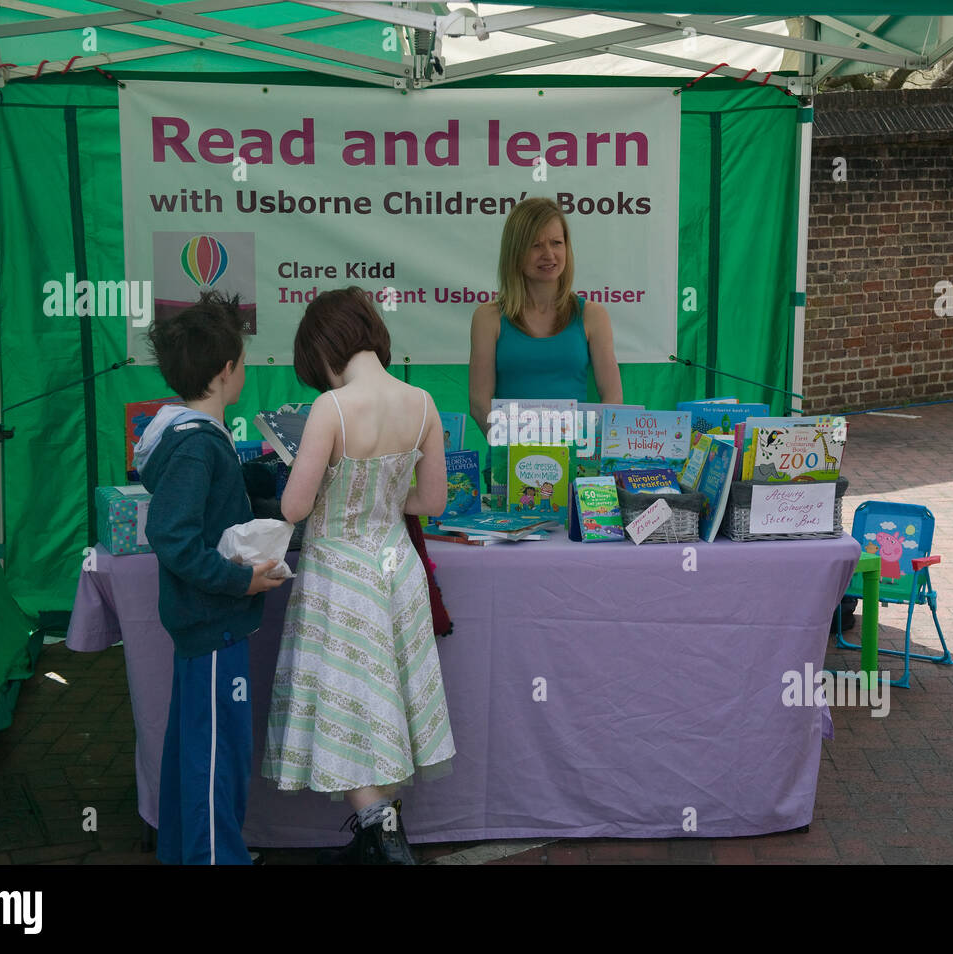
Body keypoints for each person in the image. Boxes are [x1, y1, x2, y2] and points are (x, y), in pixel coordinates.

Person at [262, 286, 455, 865]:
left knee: (350, 700)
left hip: (339, 570)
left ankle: (381, 835)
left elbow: (294, 509)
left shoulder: (331, 409)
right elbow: (433, 500)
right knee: (390, 696)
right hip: (398, 565)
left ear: (324, 351)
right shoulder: (422, 403)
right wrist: (382, 497)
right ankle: (380, 833)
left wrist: (301, 467)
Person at [136, 290, 285, 865]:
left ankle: (185, 853)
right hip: (214, 623)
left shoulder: (190, 436)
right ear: (227, 370)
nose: (245, 371)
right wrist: (237, 581)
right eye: (243, 362)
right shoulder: (198, 446)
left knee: (195, 749)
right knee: (217, 759)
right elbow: (173, 536)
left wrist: (257, 478)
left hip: (207, 626)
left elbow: (206, 500)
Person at [468, 196, 624, 441]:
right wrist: (516, 450)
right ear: (515, 251)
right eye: (535, 245)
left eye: (556, 243)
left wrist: (586, 452)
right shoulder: (488, 318)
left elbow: (613, 398)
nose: (549, 254)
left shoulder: (593, 315)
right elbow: (479, 403)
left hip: (577, 465)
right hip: (509, 465)